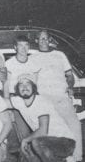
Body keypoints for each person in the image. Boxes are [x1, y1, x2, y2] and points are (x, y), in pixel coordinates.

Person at [30, 30, 82, 161]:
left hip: (61, 97)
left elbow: (69, 76)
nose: (44, 41)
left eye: (46, 38)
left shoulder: (59, 55)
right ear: (36, 41)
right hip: (45, 99)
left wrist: (70, 87)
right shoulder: (32, 58)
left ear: (50, 40)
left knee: (75, 126)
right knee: (53, 132)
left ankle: (77, 157)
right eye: (41, 38)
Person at [9, 73, 76, 162]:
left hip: (65, 142)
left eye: (28, 83)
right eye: (21, 84)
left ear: (34, 87)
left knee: (36, 143)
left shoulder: (41, 101)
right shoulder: (18, 101)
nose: (24, 87)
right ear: (17, 88)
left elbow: (43, 131)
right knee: (25, 154)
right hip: (46, 144)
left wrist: (25, 140)